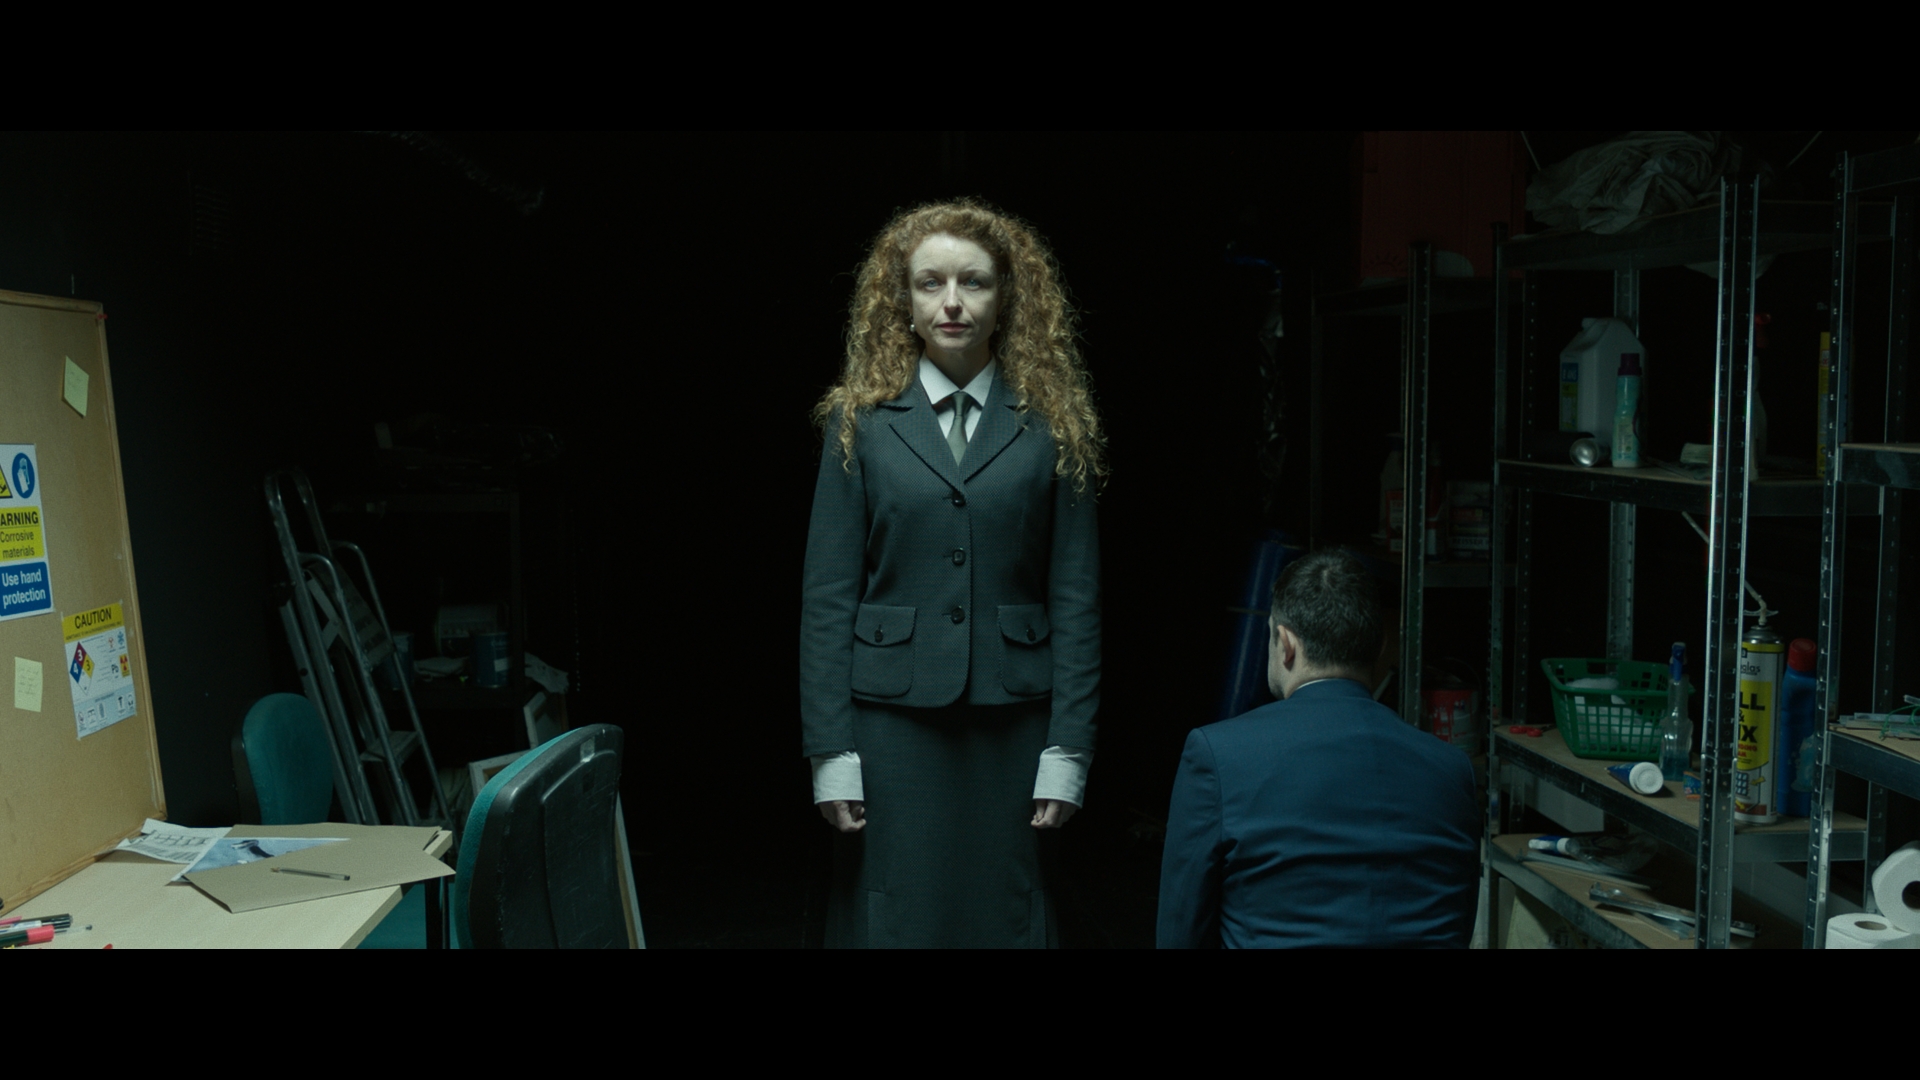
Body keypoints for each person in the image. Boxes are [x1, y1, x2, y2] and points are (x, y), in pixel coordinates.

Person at [800, 199, 1105, 948]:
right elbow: (828, 597)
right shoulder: (860, 422)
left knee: (1008, 909)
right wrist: (829, 751)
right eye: (930, 283)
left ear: (1006, 297)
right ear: (902, 302)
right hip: (889, 725)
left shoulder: (1054, 423)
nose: (953, 303)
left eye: (974, 282)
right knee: (891, 910)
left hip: (1014, 723)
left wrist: (1069, 749)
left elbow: (1076, 597)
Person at [1156, 548, 1479, 948]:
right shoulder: (1453, 769)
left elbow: (1180, 931)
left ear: (1285, 643)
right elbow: (1459, 923)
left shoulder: (1218, 755)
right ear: (1380, 647)